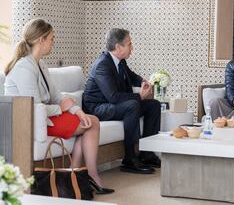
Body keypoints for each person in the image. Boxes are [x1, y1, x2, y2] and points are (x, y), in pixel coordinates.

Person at [4, 18, 114, 194]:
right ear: (42, 39)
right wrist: (61, 109)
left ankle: (75, 174)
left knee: (89, 121)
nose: (53, 43)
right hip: (29, 122)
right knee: (91, 123)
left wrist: (78, 112)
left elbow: (56, 95)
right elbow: (33, 107)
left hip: (45, 116)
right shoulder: (24, 67)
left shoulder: (40, 64)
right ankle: (85, 174)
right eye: (52, 38)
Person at [83, 28, 161, 174]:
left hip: (110, 104)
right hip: (97, 108)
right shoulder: (102, 65)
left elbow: (131, 76)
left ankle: (147, 154)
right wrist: (139, 96)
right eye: (130, 44)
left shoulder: (120, 61)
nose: (132, 47)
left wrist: (144, 82)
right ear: (118, 47)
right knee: (132, 105)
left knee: (154, 105)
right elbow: (113, 97)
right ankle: (130, 159)